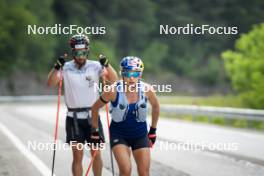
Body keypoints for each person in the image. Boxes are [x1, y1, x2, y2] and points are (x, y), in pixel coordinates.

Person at [47, 34, 118, 176]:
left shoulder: (96, 66)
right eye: (78, 53)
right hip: (73, 118)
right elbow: (50, 84)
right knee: (77, 156)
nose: (81, 56)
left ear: (87, 51)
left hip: (93, 117)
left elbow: (114, 79)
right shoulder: (65, 67)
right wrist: (56, 67)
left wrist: (107, 64)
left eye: (84, 52)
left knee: (96, 154)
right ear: (73, 52)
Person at [91, 56, 160, 176]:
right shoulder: (112, 91)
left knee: (144, 172)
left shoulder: (147, 89)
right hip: (119, 135)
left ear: (140, 74)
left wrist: (153, 130)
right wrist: (95, 131)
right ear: (122, 73)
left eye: (136, 74)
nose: (132, 78)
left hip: (140, 134)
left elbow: (156, 107)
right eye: (128, 74)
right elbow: (95, 108)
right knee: (126, 170)